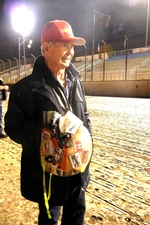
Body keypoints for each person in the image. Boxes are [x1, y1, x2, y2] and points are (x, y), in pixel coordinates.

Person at [5, 20, 93, 225]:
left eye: (72, 47)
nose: (70, 52)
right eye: (64, 45)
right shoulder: (25, 89)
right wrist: (44, 128)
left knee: (76, 217)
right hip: (48, 175)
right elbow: (12, 127)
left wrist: (88, 142)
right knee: (49, 220)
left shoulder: (76, 81)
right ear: (46, 47)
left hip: (77, 172)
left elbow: (85, 116)